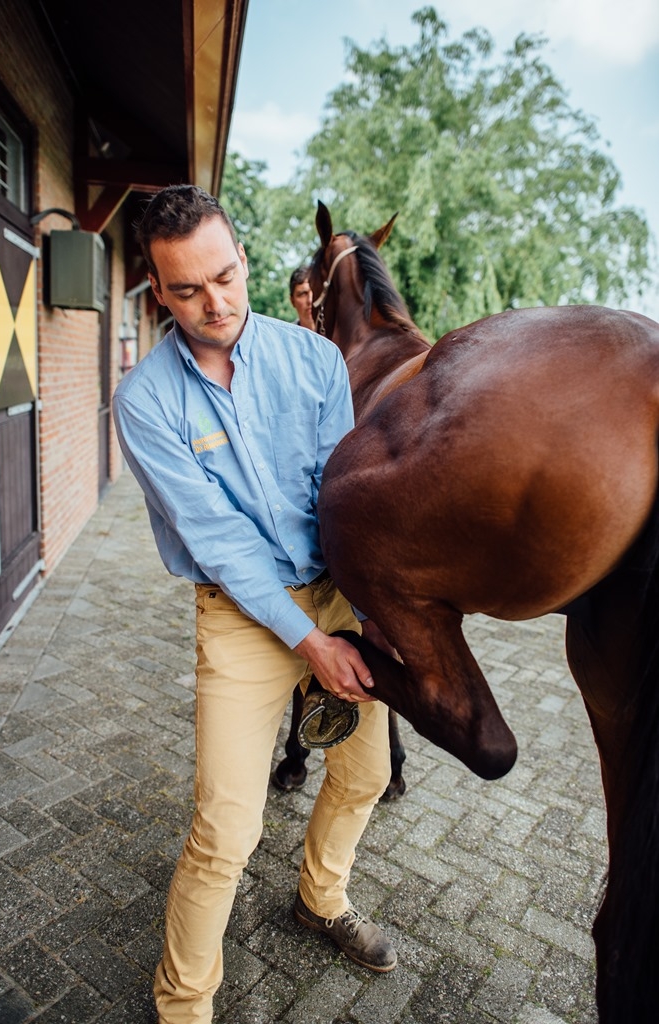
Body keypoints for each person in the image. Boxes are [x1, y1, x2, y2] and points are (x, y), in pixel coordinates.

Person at [112, 184, 395, 1024]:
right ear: (156, 292)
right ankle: (184, 1004)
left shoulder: (313, 361)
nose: (215, 303)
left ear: (244, 259)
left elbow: (341, 498)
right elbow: (218, 540)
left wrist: (369, 614)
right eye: (188, 290)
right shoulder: (145, 401)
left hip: (334, 593)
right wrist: (309, 642)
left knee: (367, 772)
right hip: (240, 611)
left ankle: (321, 898)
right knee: (226, 832)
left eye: (226, 276)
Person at [289, 264, 316, 329]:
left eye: (316, 292)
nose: (310, 300)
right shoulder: (284, 337)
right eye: (303, 294)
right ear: (292, 301)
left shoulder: (341, 335)